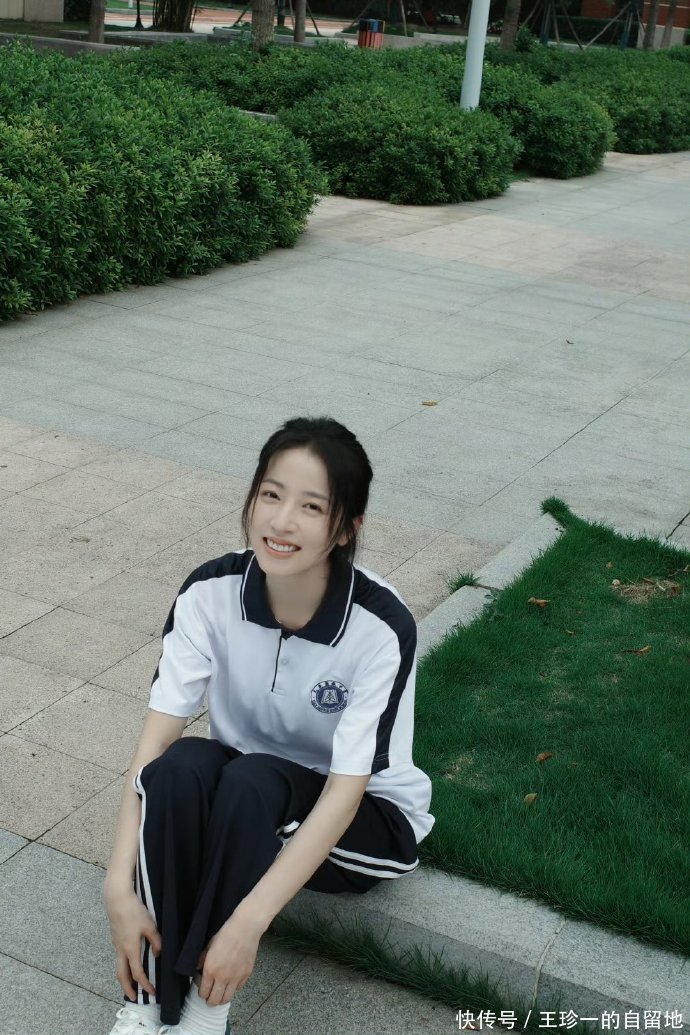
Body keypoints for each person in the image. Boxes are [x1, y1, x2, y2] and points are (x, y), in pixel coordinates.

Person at [104, 415, 434, 1035]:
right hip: (246, 796)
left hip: (365, 824)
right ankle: (148, 1006)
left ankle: (205, 1014)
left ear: (347, 528)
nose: (281, 522)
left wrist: (247, 925)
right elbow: (153, 746)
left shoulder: (380, 627)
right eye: (271, 495)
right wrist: (117, 885)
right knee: (179, 769)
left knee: (252, 781)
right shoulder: (209, 592)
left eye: (312, 507)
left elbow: (345, 794)